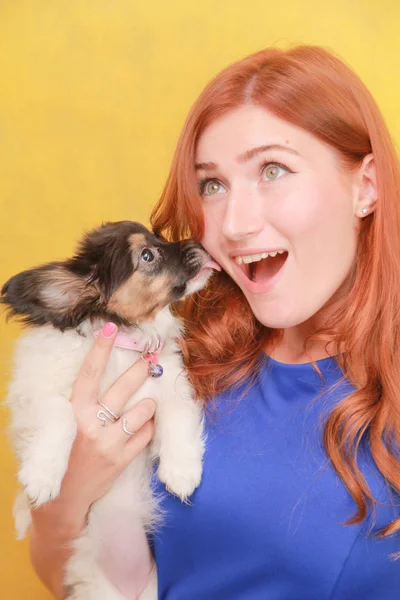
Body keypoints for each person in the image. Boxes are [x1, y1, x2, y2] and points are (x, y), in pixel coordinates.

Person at [27, 45, 400, 599]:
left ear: (365, 186)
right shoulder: (181, 346)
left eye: (273, 170)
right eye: (212, 184)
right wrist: (74, 487)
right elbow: (65, 576)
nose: (234, 224)